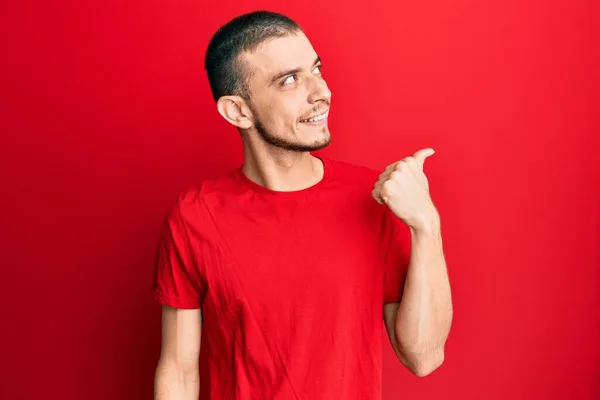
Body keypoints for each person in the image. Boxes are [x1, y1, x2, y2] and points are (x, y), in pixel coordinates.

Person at [152, 10, 453, 400]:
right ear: (238, 111)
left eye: (317, 68)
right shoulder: (194, 217)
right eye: (290, 80)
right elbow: (178, 370)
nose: (321, 91)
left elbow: (423, 357)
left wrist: (427, 226)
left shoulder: (374, 198)